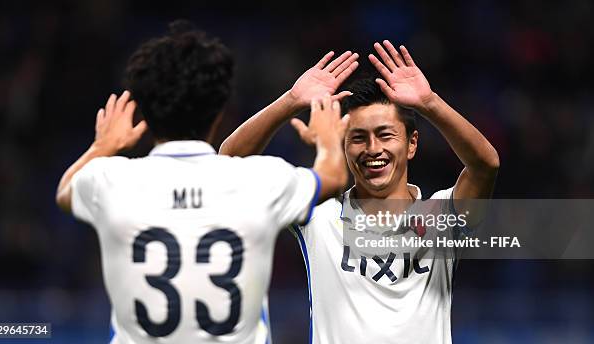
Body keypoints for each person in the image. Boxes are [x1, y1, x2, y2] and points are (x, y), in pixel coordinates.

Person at [55, 20, 351, 344]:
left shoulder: (110, 180)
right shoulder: (259, 180)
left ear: (146, 112)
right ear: (221, 110)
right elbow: (334, 175)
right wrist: (325, 136)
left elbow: (65, 191)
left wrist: (104, 146)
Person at [220, 40, 499, 343]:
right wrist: (290, 102)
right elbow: (230, 163)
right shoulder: (317, 214)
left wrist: (430, 103)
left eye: (385, 135)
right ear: (343, 145)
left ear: (412, 144)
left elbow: (485, 164)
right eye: (358, 138)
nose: (373, 149)